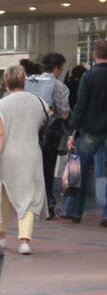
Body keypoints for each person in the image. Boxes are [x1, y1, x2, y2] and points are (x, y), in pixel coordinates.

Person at [0, 66, 48, 255]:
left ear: (6, 82)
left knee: (4, 195)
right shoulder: (39, 102)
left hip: (9, 155)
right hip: (32, 154)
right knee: (29, 195)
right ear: (25, 81)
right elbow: (49, 117)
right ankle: (25, 240)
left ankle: (1, 235)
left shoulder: (1, 105)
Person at [65, 40, 107, 226]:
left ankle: (76, 211)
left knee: (80, 172)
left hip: (90, 129)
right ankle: (106, 215)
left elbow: (80, 105)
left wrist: (72, 131)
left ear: (94, 55)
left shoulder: (88, 77)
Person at [24, 53, 71, 219]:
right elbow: (64, 113)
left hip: (29, 131)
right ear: (57, 68)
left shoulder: (30, 82)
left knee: (31, 167)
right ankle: (48, 204)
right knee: (47, 168)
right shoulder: (60, 87)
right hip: (50, 134)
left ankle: (30, 203)